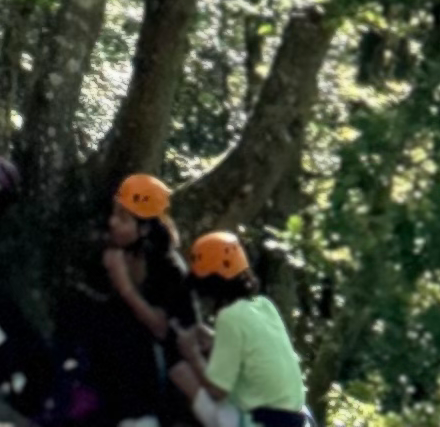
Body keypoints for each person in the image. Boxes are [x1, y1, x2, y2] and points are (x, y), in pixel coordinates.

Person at [91, 174, 197, 427]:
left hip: (165, 372)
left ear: (145, 229)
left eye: (123, 218)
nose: (112, 222)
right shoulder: (118, 251)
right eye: (114, 213)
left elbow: (161, 329)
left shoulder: (168, 268)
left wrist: (125, 287)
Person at [176, 233, 307, 427]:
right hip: (296, 418)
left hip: (264, 422)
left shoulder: (228, 317)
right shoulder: (264, 305)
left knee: (181, 373)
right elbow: (253, 349)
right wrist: (214, 340)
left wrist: (192, 354)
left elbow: (217, 390)